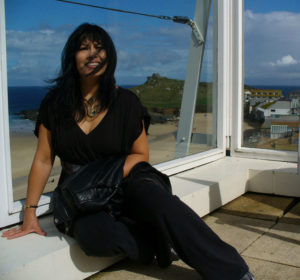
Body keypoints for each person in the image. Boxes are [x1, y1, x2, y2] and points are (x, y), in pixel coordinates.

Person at [2, 23, 254, 280]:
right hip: (81, 194)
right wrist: (30, 214)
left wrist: (102, 178)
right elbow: (43, 160)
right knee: (95, 238)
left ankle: (234, 272)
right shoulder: (54, 105)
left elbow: (140, 156)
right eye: (84, 48)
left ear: (109, 58)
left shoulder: (126, 102)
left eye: (100, 49)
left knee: (163, 205)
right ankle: (158, 243)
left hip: (128, 179)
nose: (93, 54)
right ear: (71, 57)